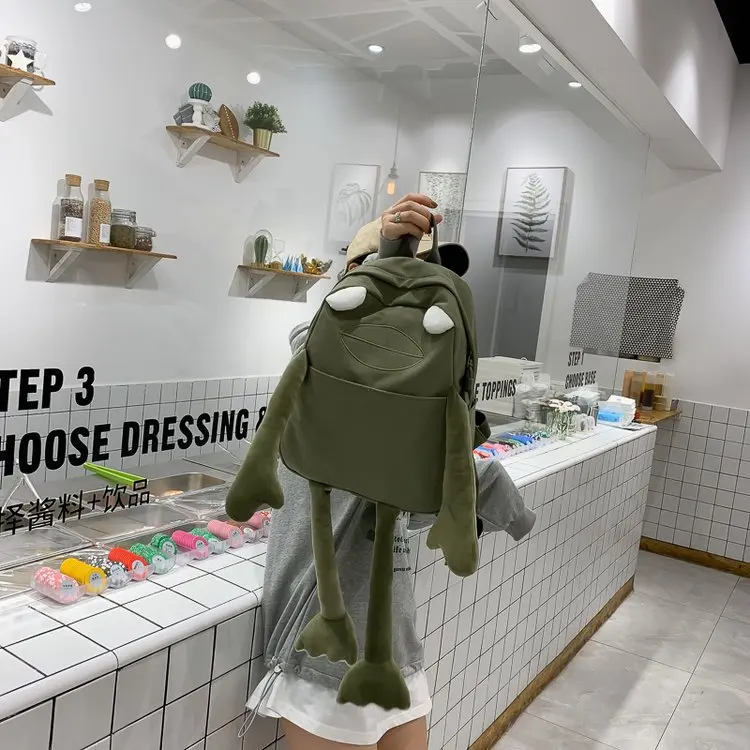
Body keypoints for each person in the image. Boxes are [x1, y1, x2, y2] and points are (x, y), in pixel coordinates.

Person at [244, 194, 535, 750]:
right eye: (401, 273)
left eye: (428, 276)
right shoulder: (322, 388)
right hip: (321, 651)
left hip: (396, 647)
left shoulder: (410, 410)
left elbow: (418, 498)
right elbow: (321, 347)